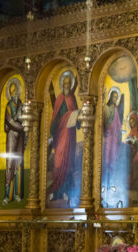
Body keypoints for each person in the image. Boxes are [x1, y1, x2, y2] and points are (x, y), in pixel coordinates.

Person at [47, 71, 78, 204]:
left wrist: (75, 117)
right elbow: (55, 117)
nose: (67, 86)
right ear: (62, 85)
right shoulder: (59, 98)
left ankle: (66, 191)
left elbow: (76, 115)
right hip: (60, 134)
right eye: (65, 83)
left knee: (68, 162)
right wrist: (51, 134)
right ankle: (56, 191)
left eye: (68, 84)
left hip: (69, 135)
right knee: (58, 162)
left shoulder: (72, 98)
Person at [3, 81, 25, 205]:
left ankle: (17, 194)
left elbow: (24, 117)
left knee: (18, 163)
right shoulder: (8, 106)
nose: (15, 94)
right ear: (10, 94)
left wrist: (22, 123)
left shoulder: (21, 104)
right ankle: (7, 195)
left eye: (16, 91)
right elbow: (10, 121)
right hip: (11, 136)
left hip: (20, 137)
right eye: (13, 92)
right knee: (10, 163)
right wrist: (21, 127)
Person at [102, 88, 124, 193]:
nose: (114, 99)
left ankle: (111, 183)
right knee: (106, 160)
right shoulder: (105, 108)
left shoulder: (115, 110)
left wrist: (119, 135)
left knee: (113, 160)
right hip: (107, 138)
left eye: (116, 97)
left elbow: (118, 125)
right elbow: (102, 123)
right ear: (110, 97)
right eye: (113, 96)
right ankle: (103, 184)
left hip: (114, 138)